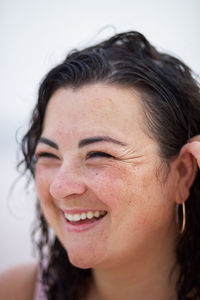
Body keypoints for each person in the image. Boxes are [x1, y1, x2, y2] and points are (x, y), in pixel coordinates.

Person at [0, 31, 200, 300]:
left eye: (99, 155)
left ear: (183, 173)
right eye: (48, 155)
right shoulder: (14, 292)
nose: (60, 188)